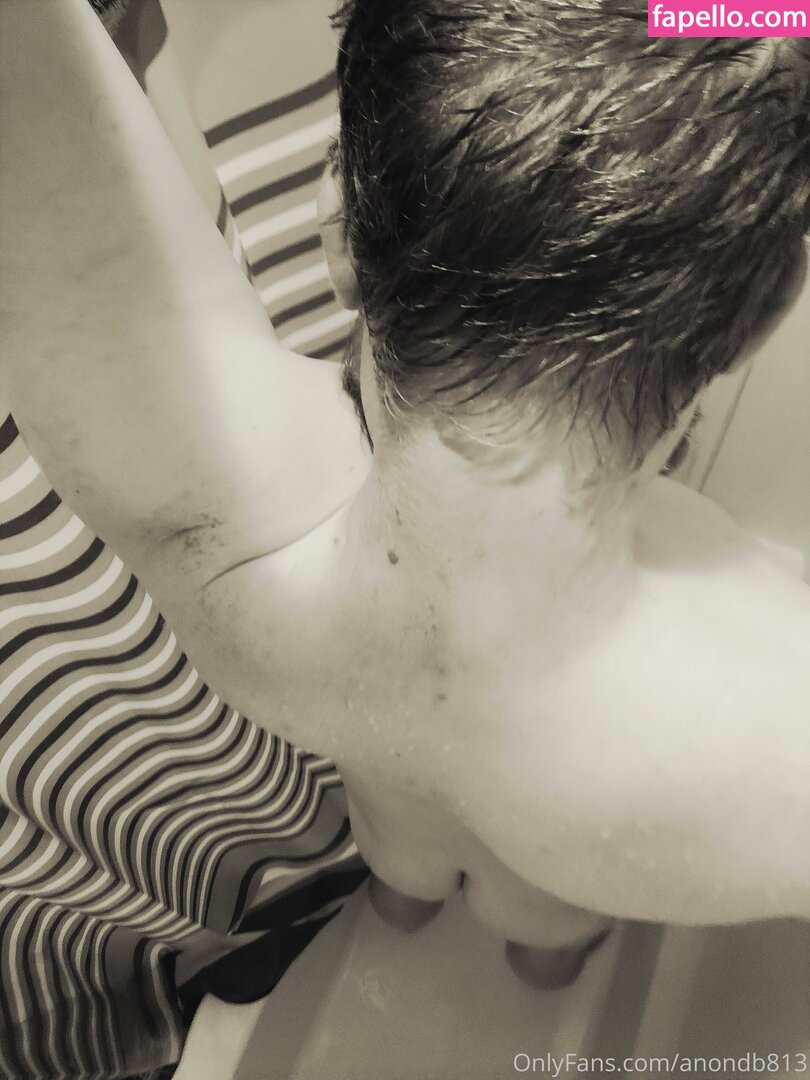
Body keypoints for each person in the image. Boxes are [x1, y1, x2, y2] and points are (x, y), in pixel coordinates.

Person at [2, 0, 809, 1036]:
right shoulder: (766, 723)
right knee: (551, 931)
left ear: (337, 223)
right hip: (593, 847)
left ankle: (405, 902)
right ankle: (543, 960)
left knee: (405, 872)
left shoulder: (241, 540)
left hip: (386, 807)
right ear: (760, 318)